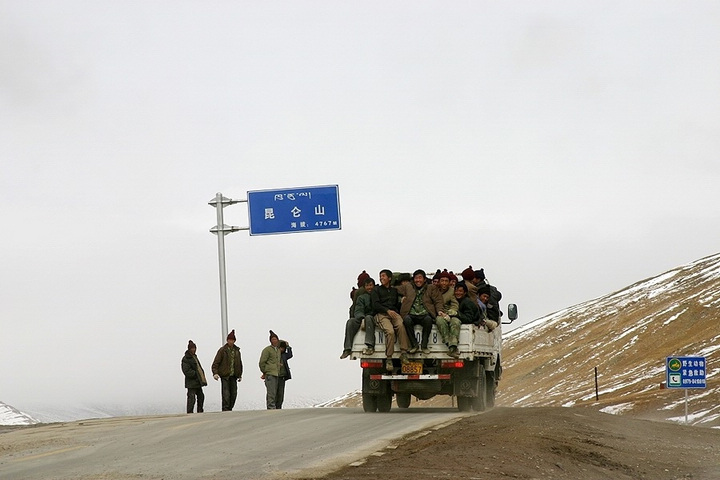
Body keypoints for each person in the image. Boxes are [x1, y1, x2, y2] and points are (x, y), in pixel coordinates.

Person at [397, 269, 444, 355]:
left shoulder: (431, 288)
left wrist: (440, 311)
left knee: (428, 320)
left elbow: (438, 300)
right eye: (416, 278)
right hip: (411, 313)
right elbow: (394, 290)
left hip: (425, 313)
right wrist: (401, 298)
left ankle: (424, 345)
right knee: (406, 320)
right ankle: (414, 344)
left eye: (420, 278)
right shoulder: (408, 286)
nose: (418, 280)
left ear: (425, 279)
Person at [371, 269, 410, 371]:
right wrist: (387, 311)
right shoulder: (376, 290)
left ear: (389, 278)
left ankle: (404, 353)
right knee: (390, 332)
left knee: (401, 326)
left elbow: (395, 305)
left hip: (393, 313)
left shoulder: (394, 291)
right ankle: (389, 358)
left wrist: (401, 302)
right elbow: (375, 305)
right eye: (380, 276)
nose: (381, 278)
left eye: (383, 276)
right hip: (382, 314)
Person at [340, 277, 377, 358]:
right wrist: (361, 318)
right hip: (363, 318)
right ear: (364, 287)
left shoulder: (378, 295)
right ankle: (347, 349)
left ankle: (370, 346)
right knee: (351, 321)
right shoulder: (362, 297)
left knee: (369, 318)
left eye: (371, 285)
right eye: (367, 285)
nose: (369, 287)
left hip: (375, 318)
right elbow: (358, 309)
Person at [212, 329, 243, 411]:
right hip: (225, 376)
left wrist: (240, 375)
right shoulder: (222, 350)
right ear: (227, 340)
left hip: (234, 376)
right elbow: (216, 362)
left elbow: (239, 363)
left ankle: (230, 408)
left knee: (234, 394)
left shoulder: (237, 351)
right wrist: (215, 373)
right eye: (229, 340)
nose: (231, 341)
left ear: (234, 341)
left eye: (232, 340)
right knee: (226, 394)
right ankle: (225, 409)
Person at [434, 270, 461, 357]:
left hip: (450, 314)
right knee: (440, 321)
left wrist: (449, 313)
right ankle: (448, 343)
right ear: (439, 281)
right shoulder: (434, 291)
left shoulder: (452, 291)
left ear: (449, 282)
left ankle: (453, 346)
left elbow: (454, 305)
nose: (444, 283)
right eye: (442, 281)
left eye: (446, 281)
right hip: (437, 314)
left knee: (456, 322)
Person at [259, 330, 287, 409]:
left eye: (275, 339)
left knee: (276, 393)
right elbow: (262, 362)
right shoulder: (267, 350)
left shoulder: (278, 350)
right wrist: (265, 371)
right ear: (270, 340)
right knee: (271, 392)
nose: (274, 341)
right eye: (273, 339)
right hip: (270, 374)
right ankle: (271, 408)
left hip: (277, 374)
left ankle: (275, 408)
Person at [181, 340, 207, 413]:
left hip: (198, 381)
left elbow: (199, 368)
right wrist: (196, 374)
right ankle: (190, 412)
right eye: (192, 348)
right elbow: (186, 371)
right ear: (189, 349)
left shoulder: (194, 357)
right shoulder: (185, 359)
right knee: (191, 398)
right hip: (191, 382)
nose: (194, 350)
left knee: (201, 397)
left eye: (194, 348)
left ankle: (200, 411)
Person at [276, 339, 293, 409]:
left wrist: (288, 346)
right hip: (274, 376)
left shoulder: (284, 355)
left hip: (282, 377)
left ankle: (279, 407)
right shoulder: (274, 355)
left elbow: (290, 355)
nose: (282, 349)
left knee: (280, 394)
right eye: (280, 347)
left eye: (283, 348)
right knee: (274, 393)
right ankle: (273, 407)